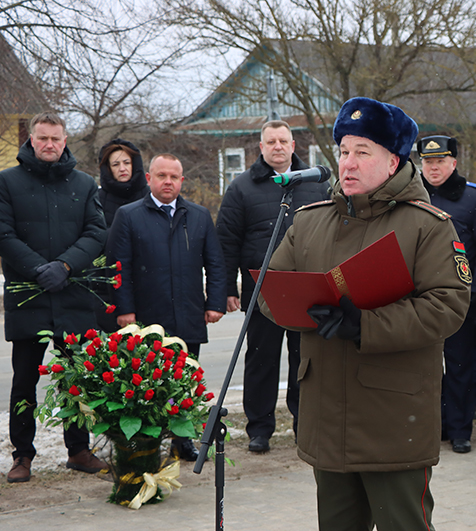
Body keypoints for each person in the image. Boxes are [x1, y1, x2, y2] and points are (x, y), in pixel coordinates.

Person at [260, 97, 470, 531]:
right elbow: (270, 290)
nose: (348, 163)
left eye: (363, 152)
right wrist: (309, 309)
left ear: (393, 161)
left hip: (392, 417)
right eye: (343, 151)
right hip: (326, 414)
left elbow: (447, 305)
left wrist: (365, 325)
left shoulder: (427, 225)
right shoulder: (309, 222)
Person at [0, 111, 109, 483]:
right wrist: (40, 269)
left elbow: (96, 232)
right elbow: (0, 232)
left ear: (65, 140)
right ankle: (22, 455)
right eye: (43, 138)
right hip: (29, 298)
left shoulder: (84, 184)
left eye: (56, 138)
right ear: (31, 139)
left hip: (73, 297)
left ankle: (79, 450)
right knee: (24, 381)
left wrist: (66, 266)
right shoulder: (7, 182)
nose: (49, 144)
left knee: (77, 378)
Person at [215, 120, 327, 453]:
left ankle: (305, 424)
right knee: (261, 358)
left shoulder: (317, 184)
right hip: (261, 288)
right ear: (261, 147)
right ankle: (259, 429)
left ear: (293, 145)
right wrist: (227, 289)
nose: (277, 146)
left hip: (307, 289)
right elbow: (227, 242)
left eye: (283, 141)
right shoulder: (242, 188)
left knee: (305, 359)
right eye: (271, 141)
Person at [106, 153, 226, 461]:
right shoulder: (129, 215)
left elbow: (215, 262)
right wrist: (124, 309)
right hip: (147, 318)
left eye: (174, 177)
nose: (168, 182)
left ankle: (182, 441)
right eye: (162, 176)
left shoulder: (198, 215)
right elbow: (118, 266)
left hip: (188, 314)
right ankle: (148, 444)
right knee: (148, 384)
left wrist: (215, 302)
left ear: (182, 181)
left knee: (185, 382)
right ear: (149, 178)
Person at [418, 135, 476, 453]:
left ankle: (460, 429)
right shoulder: (411, 197)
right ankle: (431, 427)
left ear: (454, 163)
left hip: (459, 298)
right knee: (424, 368)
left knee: (460, 366)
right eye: (428, 162)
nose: (433, 168)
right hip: (419, 297)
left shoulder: (474, 198)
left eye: (440, 161)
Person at [95, 139, 149, 331]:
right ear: (108, 169)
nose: (122, 168)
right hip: (109, 286)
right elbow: (94, 237)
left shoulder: (150, 196)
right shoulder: (97, 199)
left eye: (127, 162)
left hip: (147, 284)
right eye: (115, 164)